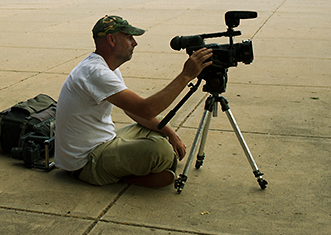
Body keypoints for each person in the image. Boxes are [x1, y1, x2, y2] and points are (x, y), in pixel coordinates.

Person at [55, 15, 213, 188]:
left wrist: (170, 133)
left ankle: (130, 169)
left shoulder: (106, 67)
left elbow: (133, 111)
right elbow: (146, 109)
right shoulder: (95, 72)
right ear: (111, 39)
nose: (135, 43)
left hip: (103, 143)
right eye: (129, 37)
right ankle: (125, 175)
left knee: (160, 132)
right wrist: (186, 76)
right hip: (86, 162)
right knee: (162, 150)